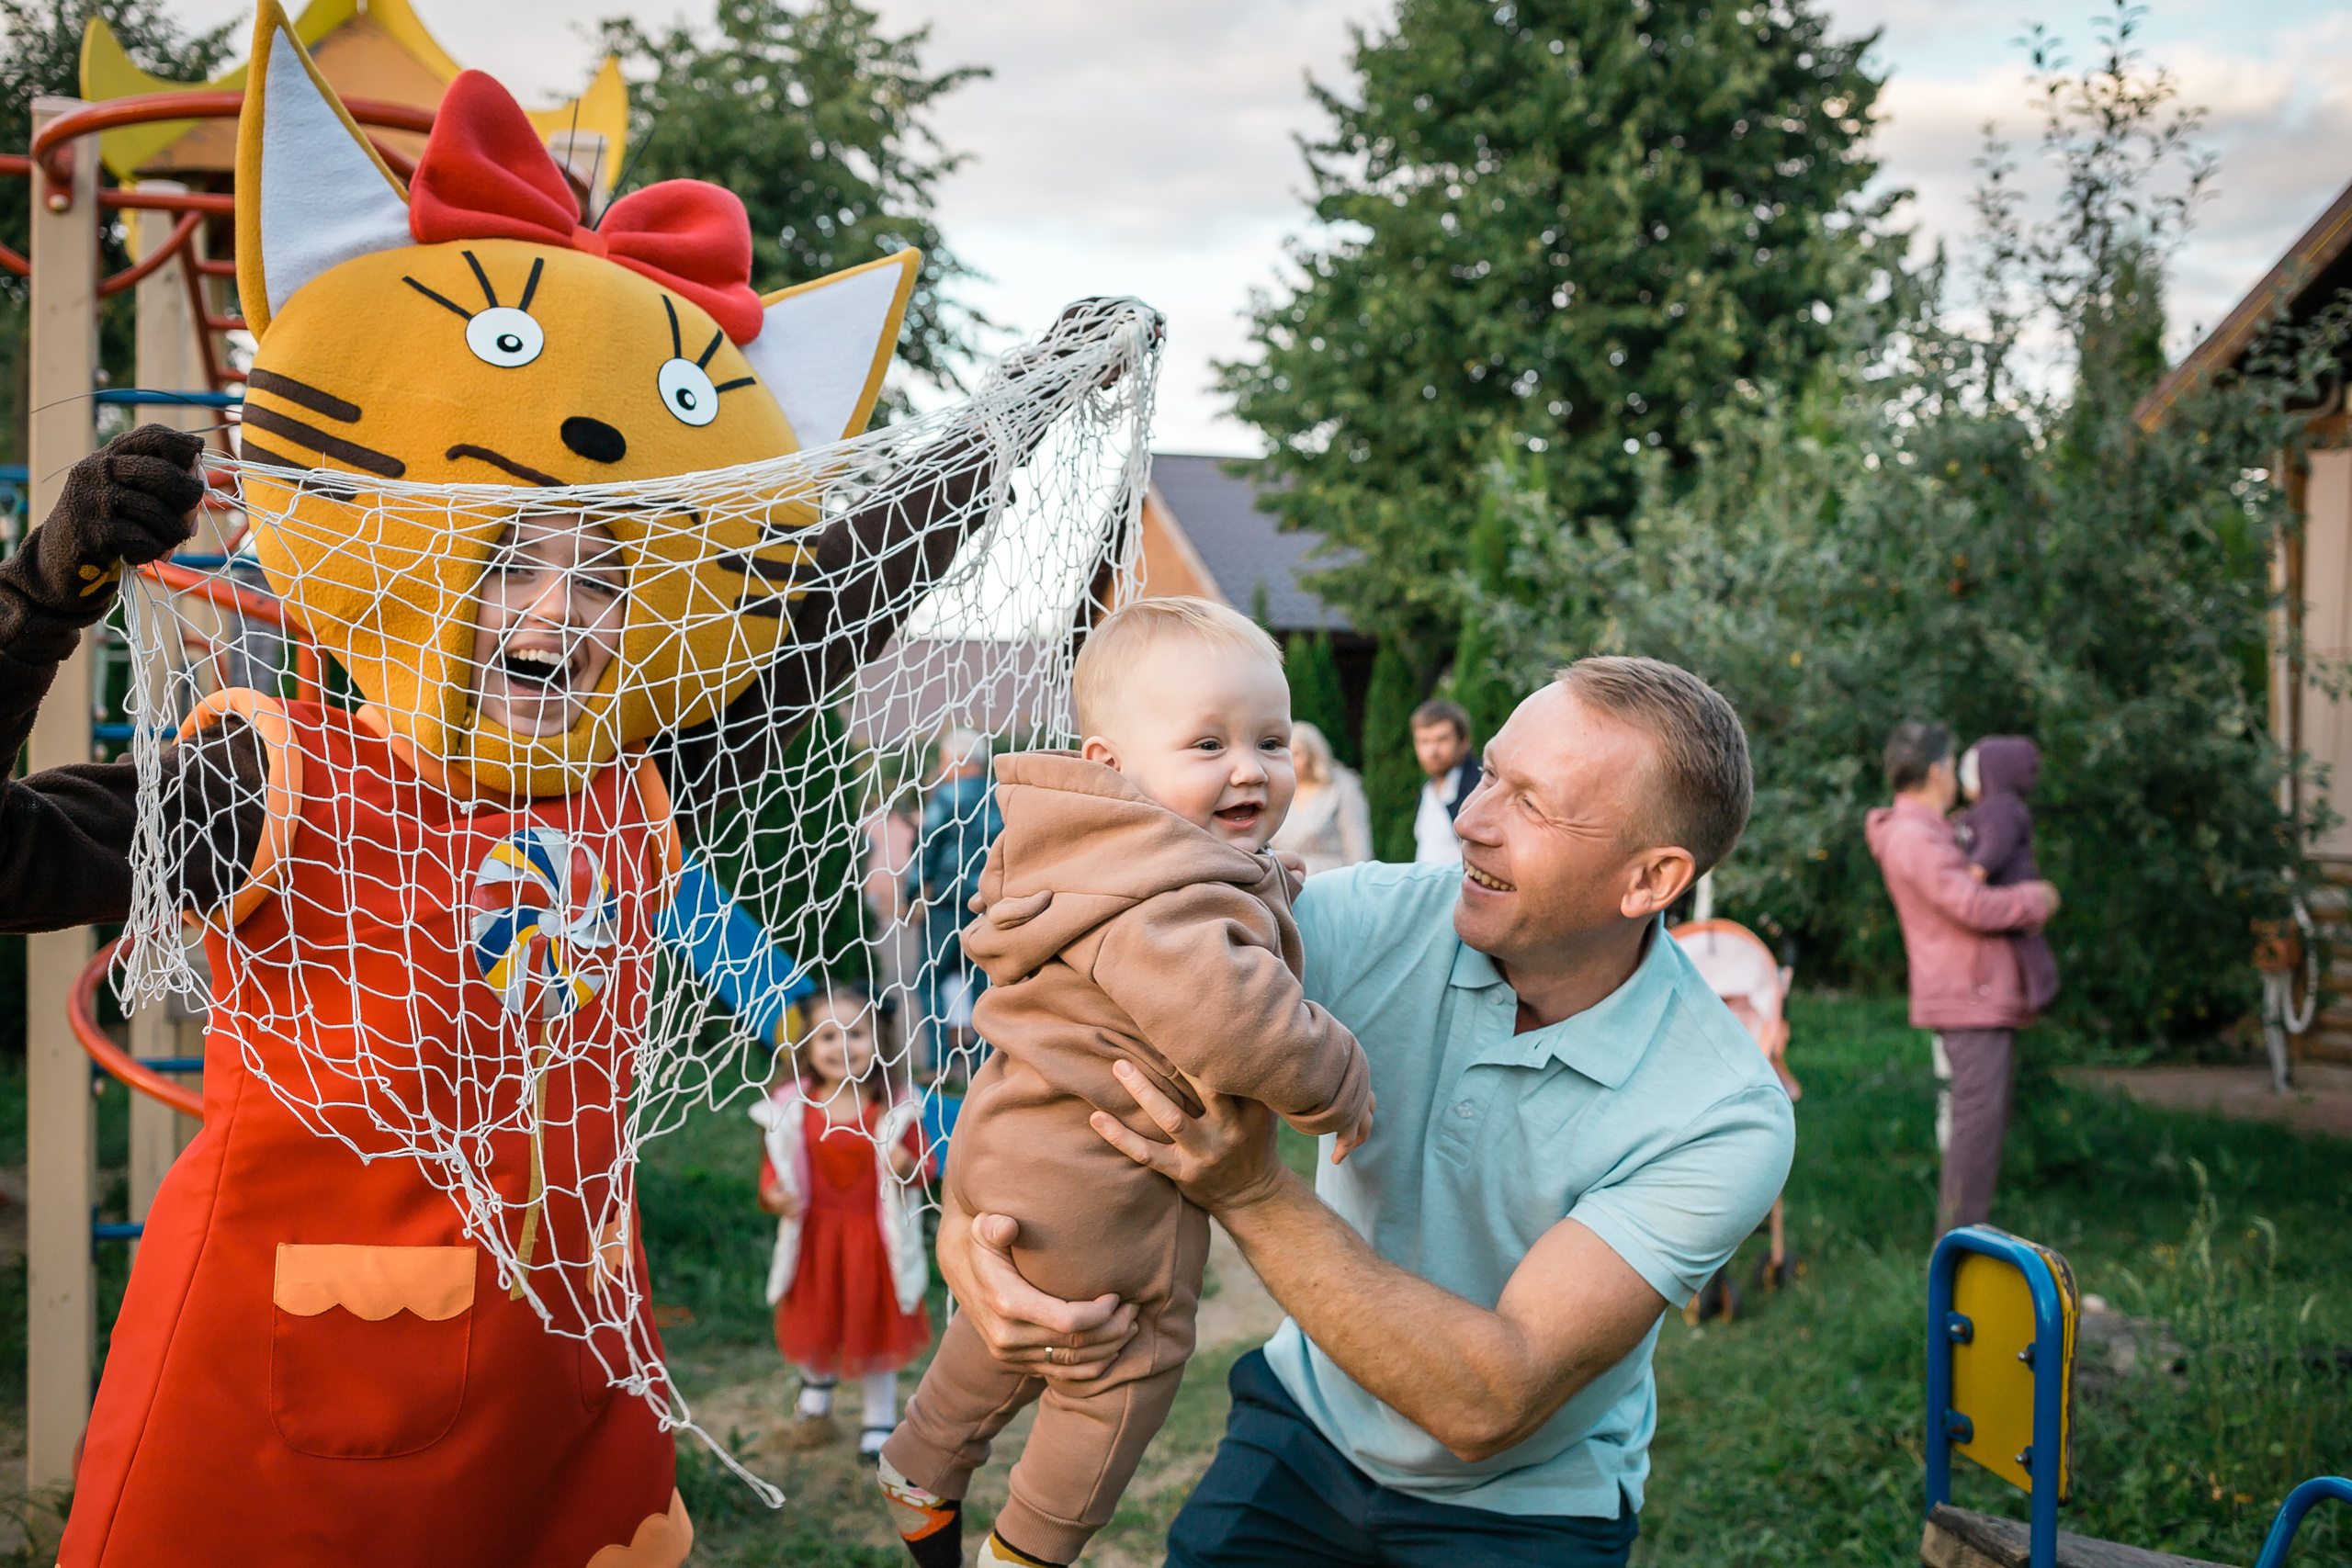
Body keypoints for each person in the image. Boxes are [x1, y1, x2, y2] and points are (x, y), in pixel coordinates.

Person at [930, 656, 1795, 1568]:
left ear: (1649, 880)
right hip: (1304, 1426)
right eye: (1489, 773)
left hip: (1528, 1508)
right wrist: (965, 1232)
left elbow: (1489, 1401)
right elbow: (1072, 1027)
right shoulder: (1365, 918)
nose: (1470, 821)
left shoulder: (1723, 1112)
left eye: (1531, 805)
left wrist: (1250, 1191)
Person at [876, 596, 1373, 1568]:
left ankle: (920, 1461)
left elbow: (1221, 903)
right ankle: (1028, 1551)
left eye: (1271, 740)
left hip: (1017, 1148)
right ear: (1113, 767)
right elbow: (1239, 1026)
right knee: (1125, 1357)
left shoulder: (1104, 861)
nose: (1249, 767)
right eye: (1207, 744)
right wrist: (1338, 1083)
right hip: (1093, 1168)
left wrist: (1276, 884)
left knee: (1006, 1322)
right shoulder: (1165, 905)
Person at [1865, 722, 2060, 1234]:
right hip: (1966, 997)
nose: (1957, 777)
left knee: (1978, 1131)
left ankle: (1961, 1259)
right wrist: (2035, 900)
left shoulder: (1932, 829)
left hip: (1976, 994)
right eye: (1952, 765)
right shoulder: (1912, 837)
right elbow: (1969, 904)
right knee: (1974, 1137)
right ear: (1935, 770)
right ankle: (1955, 1266)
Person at [752, 984, 933, 1459]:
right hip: (815, 1234)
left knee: (874, 1325)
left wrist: (904, 1164)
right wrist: (773, 1196)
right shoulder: (792, 1106)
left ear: (877, 1040)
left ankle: (879, 1416)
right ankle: (817, 1393)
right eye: (827, 1036)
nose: (843, 1046)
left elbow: (924, 1168)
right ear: (807, 1048)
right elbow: (777, 1164)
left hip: (872, 1237)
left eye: (856, 1034)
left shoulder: (895, 1106)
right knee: (816, 1316)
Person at [910, 729, 1001, 1076]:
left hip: (947, 904)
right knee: (985, 984)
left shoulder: (945, 797)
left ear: (957, 761)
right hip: (989, 904)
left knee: (930, 980)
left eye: (944, 761)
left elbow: (927, 844)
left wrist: (912, 891)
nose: (942, 767)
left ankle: (938, 1063)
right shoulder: (1001, 794)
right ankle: (985, 1064)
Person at [1957, 737, 2060, 1013]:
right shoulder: (1989, 808)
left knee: (2026, 940)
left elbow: (1995, 844)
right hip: (2003, 886)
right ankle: (2032, 989)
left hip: (2012, 882)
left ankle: (2043, 986)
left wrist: (1976, 869)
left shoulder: (2000, 808)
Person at [1268, 720, 1373, 875]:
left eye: (1297, 753)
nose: (1291, 761)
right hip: (1284, 885)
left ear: (1313, 753)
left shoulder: (1341, 786)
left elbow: (1358, 847)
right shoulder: (1275, 790)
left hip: (1332, 881)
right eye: (1286, 753)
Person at [1410, 697, 1482, 863]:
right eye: (1424, 741)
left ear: (1464, 741)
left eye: (1441, 739)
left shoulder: (1480, 787)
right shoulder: (1426, 792)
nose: (1432, 750)